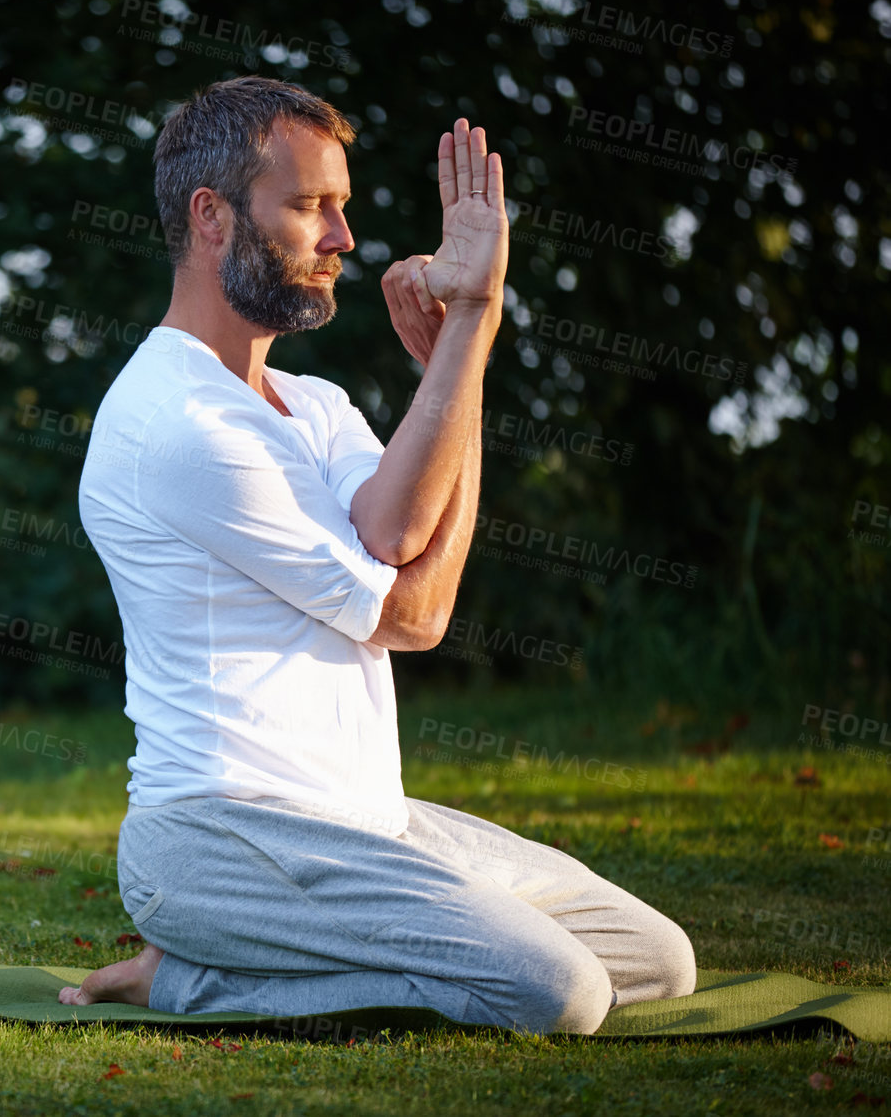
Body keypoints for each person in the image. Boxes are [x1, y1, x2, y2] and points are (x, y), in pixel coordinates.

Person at [64, 76, 694, 1034]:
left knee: (656, 961)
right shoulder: (178, 423)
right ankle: (192, 978)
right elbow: (415, 612)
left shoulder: (312, 405)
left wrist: (461, 351)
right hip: (225, 837)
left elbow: (401, 532)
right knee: (559, 993)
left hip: (365, 825)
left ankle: (256, 957)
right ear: (212, 217)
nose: (343, 240)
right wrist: (470, 326)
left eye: (343, 208)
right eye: (311, 206)